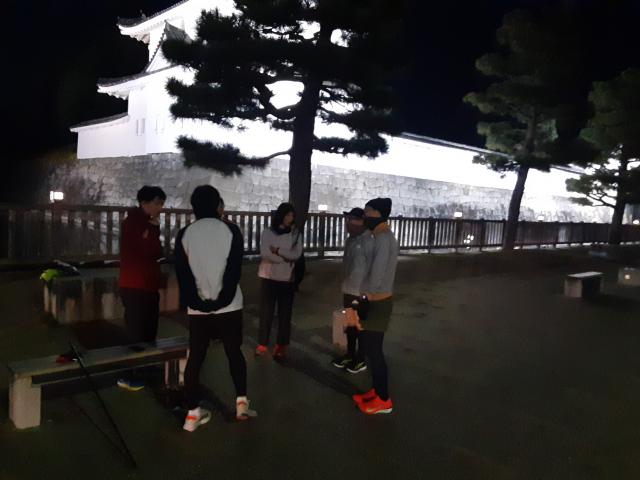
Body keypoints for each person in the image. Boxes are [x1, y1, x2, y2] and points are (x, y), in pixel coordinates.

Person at [174, 186, 256, 432]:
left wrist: (197, 302)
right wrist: (222, 300)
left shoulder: (185, 234)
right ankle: (241, 403)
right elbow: (234, 270)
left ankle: (192, 414)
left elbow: (183, 274)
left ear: (194, 207)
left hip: (198, 309)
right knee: (234, 353)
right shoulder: (231, 230)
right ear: (218, 205)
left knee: (196, 358)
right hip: (230, 306)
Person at [350, 198, 398, 415]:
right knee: (370, 348)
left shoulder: (384, 238)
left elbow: (378, 271)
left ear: (378, 213)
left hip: (378, 300)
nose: (365, 215)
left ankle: (384, 399)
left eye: (368, 211)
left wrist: (366, 296)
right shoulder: (378, 236)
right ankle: (376, 391)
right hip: (374, 298)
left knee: (374, 351)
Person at [117, 186, 166, 391]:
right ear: (144, 203)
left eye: (161, 204)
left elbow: (156, 250)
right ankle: (126, 375)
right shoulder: (134, 223)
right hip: (135, 284)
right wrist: (153, 229)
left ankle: (144, 365)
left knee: (149, 329)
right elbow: (149, 250)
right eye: (157, 203)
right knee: (135, 331)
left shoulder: (145, 223)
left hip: (147, 284)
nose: (160, 208)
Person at [255, 203, 303, 360]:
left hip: (286, 277)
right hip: (268, 276)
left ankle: (281, 344)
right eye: (288, 215)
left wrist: (277, 251)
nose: (290, 218)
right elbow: (265, 252)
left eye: (292, 216)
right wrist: (282, 259)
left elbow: (296, 255)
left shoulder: (295, 234)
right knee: (266, 312)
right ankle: (262, 342)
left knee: (285, 313)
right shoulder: (268, 232)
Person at [332, 207, 373, 374]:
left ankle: (361, 358)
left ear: (361, 222)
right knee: (350, 324)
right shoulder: (351, 240)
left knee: (360, 326)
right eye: (347, 220)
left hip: (361, 291)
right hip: (349, 288)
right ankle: (350, 353)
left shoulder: (369, 240)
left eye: (351, 220)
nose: (347, 223)